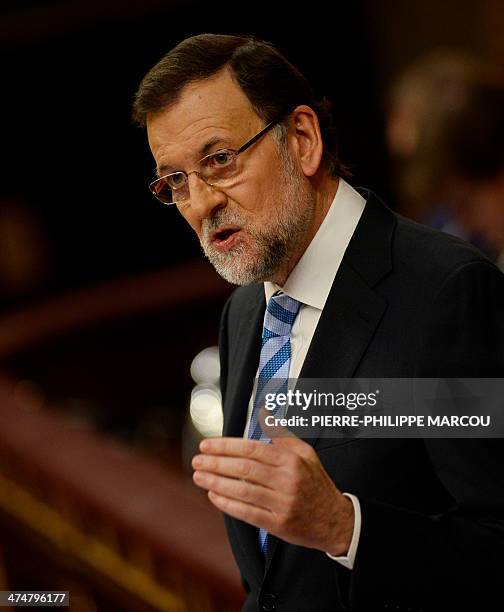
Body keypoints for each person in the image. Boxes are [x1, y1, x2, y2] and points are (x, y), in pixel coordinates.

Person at [132, 34, 504, 612]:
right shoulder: (245, 311)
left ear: (302, 140)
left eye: (219, 160)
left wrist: (345, 527)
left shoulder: (446, 293)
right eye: (176, 181)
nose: (200, 203)